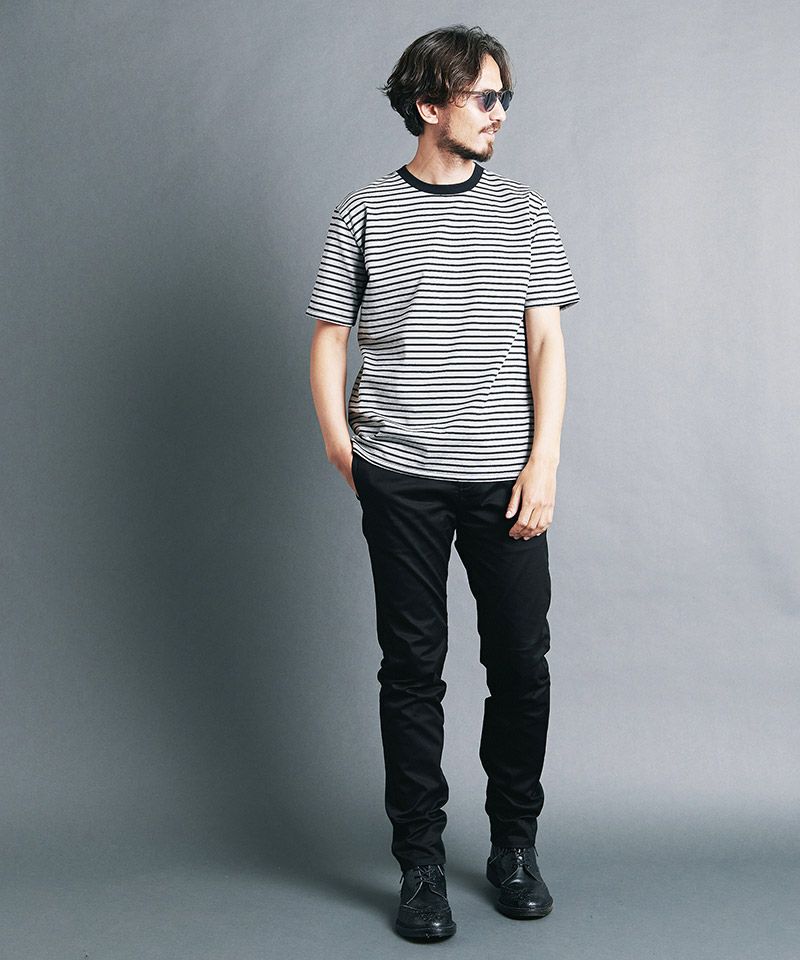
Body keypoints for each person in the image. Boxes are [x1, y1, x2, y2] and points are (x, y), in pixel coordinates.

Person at [307, 23, 580, 942]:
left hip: (504, 477)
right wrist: (342, 446)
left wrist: (543, 460)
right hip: (400, 477)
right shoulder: (364, 212)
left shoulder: (525, 213)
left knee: (521, 665)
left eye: (505, 98)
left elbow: (546, 342)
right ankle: (420, 864)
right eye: (484, 98)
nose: (500, 114)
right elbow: (329, 336)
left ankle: (514, 846)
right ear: (430, 105)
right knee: (412, 671)